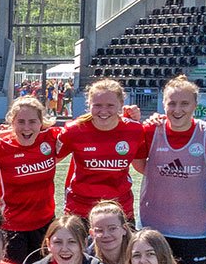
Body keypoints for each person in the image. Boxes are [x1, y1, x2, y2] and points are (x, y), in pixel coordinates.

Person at [135, 77, 206, 264]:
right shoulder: (150, 130)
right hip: (154, 226)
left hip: (196, 229)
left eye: (184, 103)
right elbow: (139, 163)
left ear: (195, 105)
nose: (177, 109)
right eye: (171, 103)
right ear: (163, 104)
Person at [0, 97, 62, 264]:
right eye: (20, 122)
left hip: (46, 224)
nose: (26, 128)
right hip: (11, 228)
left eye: (32, 121)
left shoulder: (50, 138)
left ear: (41, 123)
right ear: (12, 122)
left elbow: (81, 126)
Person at [59, 79, 146, 220]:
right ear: (88, 105)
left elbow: (142, 166)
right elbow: (50, 159)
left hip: (120, 210)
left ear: (121, 104)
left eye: (110, 105)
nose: (103, 111)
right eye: (97, 105)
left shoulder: (135, 130)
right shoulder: (74, 130)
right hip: (80, 209)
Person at [87, 200, 132, 264]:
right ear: (92, 233)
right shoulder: (86, 261)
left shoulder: (138, 253)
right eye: (99, 230)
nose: (106, 235)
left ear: (124, 229)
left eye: (112, 228)